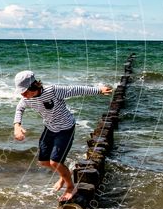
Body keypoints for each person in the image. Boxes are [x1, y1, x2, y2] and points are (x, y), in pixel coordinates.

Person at [12, 70, 112, 201]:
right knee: (43, 162)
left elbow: (75, 90)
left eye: (24, 91)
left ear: (34, 86)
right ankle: (65, 173)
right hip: (50, 128)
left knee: (55, 162)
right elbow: (19, 109)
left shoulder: (52, 91)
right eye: (21, 92)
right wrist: (17, 125)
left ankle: (70, 186)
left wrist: (98, 90)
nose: (23, 94)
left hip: (65, 128)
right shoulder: (26, 99)